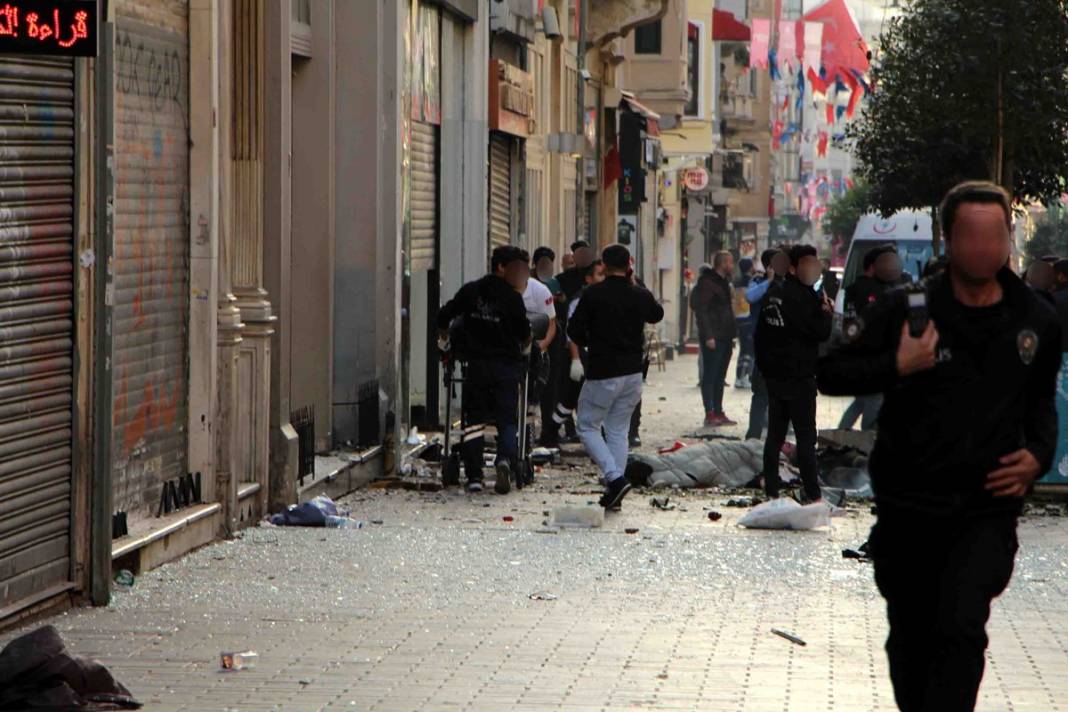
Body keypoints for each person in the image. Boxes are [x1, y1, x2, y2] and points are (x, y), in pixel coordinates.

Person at [817, 181, 1060, 712]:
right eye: (971, 236)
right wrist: (896, 366)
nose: (984, 248)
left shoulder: (1035, 319)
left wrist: (1038, 456)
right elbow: (830, 371)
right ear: (947, 240)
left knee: (961, 626)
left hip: (986, 508)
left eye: (995, 235)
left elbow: (1041, 405)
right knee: (913, 637)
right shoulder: (908, 310)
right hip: (911, 506)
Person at [569, 244, 664, 510]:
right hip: (633, 373)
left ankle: (614, 478)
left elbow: (574, 330)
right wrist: (635, 285)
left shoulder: (593, 294)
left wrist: (592, 341)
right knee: (618, 429)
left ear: (604, 265)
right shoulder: (638, 294)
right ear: (629, 265)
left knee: (587, 426)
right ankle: (615, 489)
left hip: (603, 371)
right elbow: (657, 314)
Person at [437, 245, 532, 494]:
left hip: (476, 366)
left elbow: (444, 314)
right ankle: (504, 460)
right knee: (507, 420)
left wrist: (445, 336)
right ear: (502, 267)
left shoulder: (471, 291)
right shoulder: (513, 298)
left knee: (474, 422)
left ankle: (475, 476)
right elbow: (524, 333)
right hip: (506, 366)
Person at [755, 244, 832, 502]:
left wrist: (767, 371)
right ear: (792, 267)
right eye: (807, 262)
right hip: (798, 377)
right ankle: (813, 494)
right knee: (805, 437)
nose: (812, 267)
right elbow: (818, 332)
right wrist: (825, 314)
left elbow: (760, 337)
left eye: (815, 262)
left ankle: (771, 491)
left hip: (777, 378)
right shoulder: (803, 296)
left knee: (775, 436)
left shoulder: (774, 293)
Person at [838, 245, 902, 430]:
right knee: (873, 402)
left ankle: (838, 436)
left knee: (861, 401)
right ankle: (868, 445)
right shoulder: (876, 291)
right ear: (876, 266)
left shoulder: (851, 289)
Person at [551, 260, 605, 432]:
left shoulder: (606, 298)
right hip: (582, 355)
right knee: (571, 398)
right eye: (600, 274)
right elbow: (572, 332)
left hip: (600, 356)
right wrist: (576, 359)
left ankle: (598, 436)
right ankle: (551, 431)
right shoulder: (579, 300)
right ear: (589, 279)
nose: (603, 278)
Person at [744, 249, 787, 441]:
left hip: (785, 347)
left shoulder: (787, 284)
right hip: (762, 345)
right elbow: (750, 297)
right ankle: (753, 434)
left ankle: (779, 432)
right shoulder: (759, 281)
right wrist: (769, 281)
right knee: (761, 392)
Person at [691, 251, 737, 426]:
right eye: (730, 262)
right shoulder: (708, 283)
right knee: (710, 375)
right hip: (714, 336)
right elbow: (701, 310)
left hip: (725, 335)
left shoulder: (723, 282)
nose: (732, 266)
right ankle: (709, 412)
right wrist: (708, 335)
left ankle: (719, 410)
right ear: (723, 263)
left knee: (720, 376)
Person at [733, 258, 756, 390]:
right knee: (748, 350)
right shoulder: (750, 281)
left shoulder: (736, 281)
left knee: (743, 349)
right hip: (748, 316)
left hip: (739, 317)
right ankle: (743, 377)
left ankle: (739, 376)